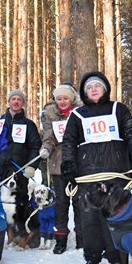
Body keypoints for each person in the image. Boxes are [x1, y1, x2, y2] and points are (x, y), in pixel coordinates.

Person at [62, 71, 132, 264]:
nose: (93, 90)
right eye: (89, 88)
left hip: (115, 171)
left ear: (105, 89)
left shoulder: (118, 109)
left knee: (115, 216)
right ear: (84, 93)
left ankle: (116, 256)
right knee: (89, 216)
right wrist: (68, 164)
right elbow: (68, 142)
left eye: (97, 86)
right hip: (87, 173)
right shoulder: (77, 115)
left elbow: (131, 133)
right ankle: (92, 255)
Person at [39, 84, 83, 254]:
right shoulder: (51, 115)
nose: (62, 102)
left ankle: (82, 238)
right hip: (58, 164)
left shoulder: (80, 113)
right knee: (61, 205)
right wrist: (46, 149)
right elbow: (49, 138)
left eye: (65, 98)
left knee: (80, 204)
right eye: (59, 99)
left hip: (79, 164)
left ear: (71, 99)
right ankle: (61, 238)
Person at [0, 89, 41, 234]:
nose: (16, 101)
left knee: (21, 203)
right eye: (13, 99)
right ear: (8, 102)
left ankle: (23, 232)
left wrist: (32, 166)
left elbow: (35, 146)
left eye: (19, 99)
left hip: (21, 170)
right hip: (1, 169)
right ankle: (3, 232)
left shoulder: (29, 124)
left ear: (23, 103)